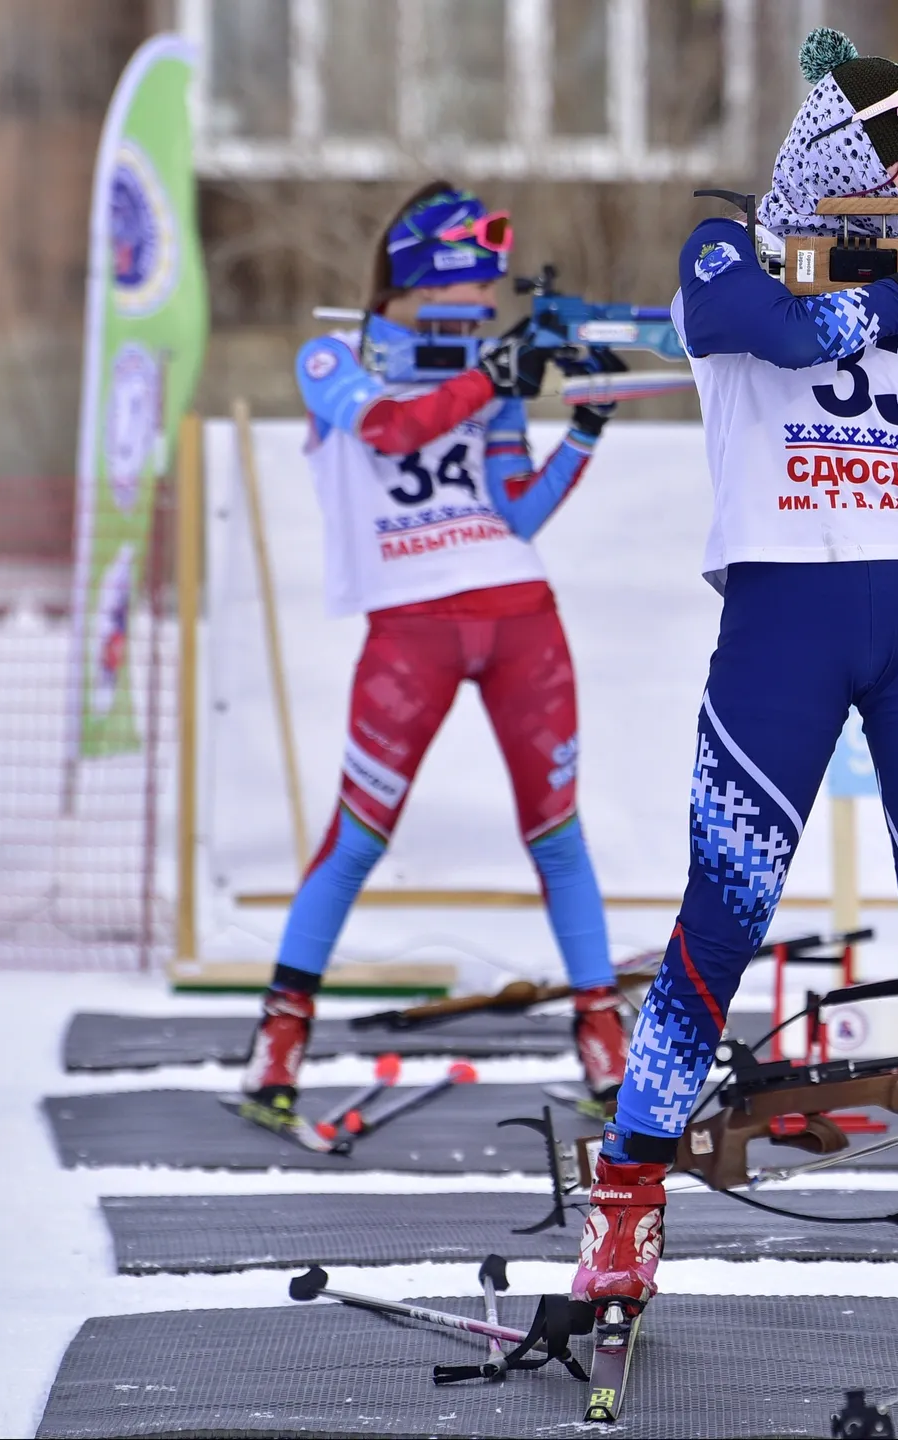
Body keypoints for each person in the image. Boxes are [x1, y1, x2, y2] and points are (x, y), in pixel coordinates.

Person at [570, 28, 898, 1335]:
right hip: (785, 612)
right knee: (726, 913)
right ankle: (628, 1201)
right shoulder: (731, 246)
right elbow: (764, 329)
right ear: (848, 166)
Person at [241, 183, 632, 1118]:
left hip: (520, 616)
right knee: (356, 839)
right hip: (408, 627)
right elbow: (387, 427)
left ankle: (601, 1032)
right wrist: (491, 375)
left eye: (493, 299)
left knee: (558, 836)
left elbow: (519, 510)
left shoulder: (484, 369)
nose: (487, 309)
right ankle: (280, 1035)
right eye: (473, 293)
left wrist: (583, 430)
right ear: (420, 283)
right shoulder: (332, 356)